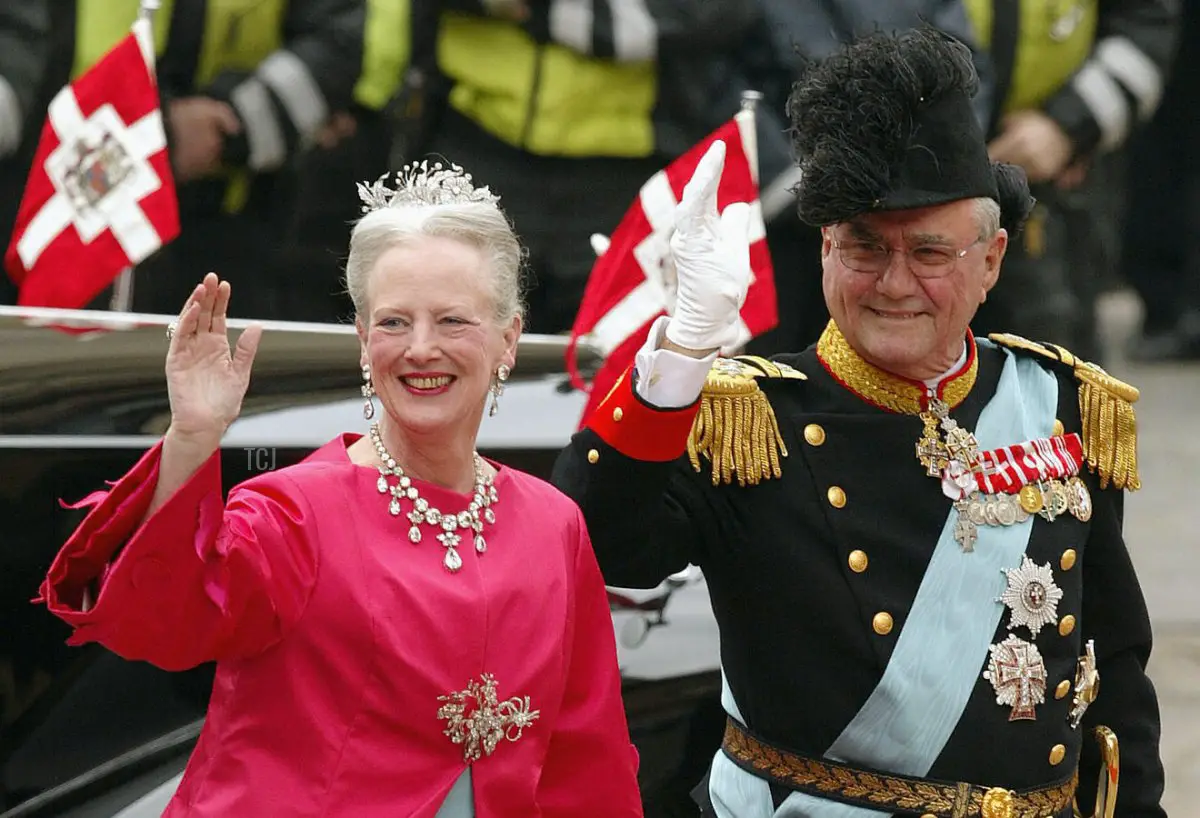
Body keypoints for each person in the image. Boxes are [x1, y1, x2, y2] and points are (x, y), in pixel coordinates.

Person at [553, 28, 1166, 818]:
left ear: (992, 260)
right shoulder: (750, 421)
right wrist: (679, 352)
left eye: (930, 254)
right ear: (824, 252)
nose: (895, 284)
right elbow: (597, 543)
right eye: (864, 249)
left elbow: (1112, 665)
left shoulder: (1061, 401)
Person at [36, 163, 643, 816]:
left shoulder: (554, 525)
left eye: (453, 322)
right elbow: (157, 621)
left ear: (508, 339)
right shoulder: (295, 514)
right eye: (392, 323)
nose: (420, 348)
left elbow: (588, 763)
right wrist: (191, 439)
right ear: (361, 340)